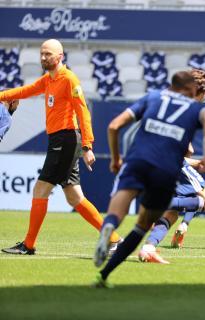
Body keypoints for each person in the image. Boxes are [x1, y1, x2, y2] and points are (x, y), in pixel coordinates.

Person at [92, 71, 205, 287]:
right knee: (142, 225)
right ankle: (103, 276)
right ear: (190, 89)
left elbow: (113, 126)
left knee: (115, 213)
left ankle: (108, 228)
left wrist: (115, 159)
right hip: (166, 170)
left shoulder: (153, 97)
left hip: (136, 161)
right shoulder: (195, 107)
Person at [0, 39, 121, 255]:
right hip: (60, 140)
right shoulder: (48, 79)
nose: (44, 57)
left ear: (60, 56)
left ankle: (28, 245)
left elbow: (83, 112)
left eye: (48, 54)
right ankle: (113, 239)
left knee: (40, 189)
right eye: (42, 54)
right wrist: (2, 96)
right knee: (74, 197)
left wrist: (88, 145)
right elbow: (25, 91)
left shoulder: (69, 79)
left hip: (66, 140)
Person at [138, 70, 205, 263]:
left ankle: (148, 247)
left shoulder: (166, 99)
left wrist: (195, 161)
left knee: (171, 215)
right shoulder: (190, 107)